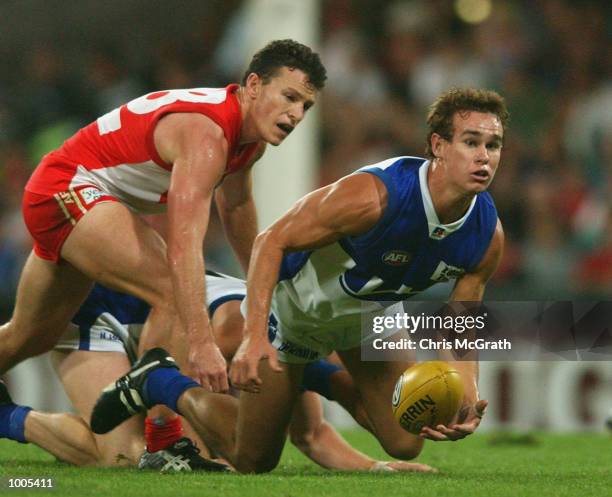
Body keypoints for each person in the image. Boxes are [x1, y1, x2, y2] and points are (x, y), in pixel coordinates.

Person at [91, 87, 508, 473]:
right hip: (295, 316)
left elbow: (463, 314)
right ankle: (157, 379)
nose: (484, 157)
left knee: (406, 439)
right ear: (438, 145)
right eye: (471, 142)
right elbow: (270, 242)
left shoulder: (488, 234)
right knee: (252, 458)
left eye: (493, 145)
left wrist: (467, 393)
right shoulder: (373, 196)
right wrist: (255, 334)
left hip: (368, 318)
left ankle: (315, 377)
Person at [0, 39, 326, 394]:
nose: (296, 114)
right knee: (175, 291)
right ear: (253, 85)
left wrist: (266, 287)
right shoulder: (208, 134)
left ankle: (151, 423)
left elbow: (234, 208)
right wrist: (202, 343)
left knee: (30, 337)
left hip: (69, 194)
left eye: (305, 106)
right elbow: (183, 247)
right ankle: (161, 438)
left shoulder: (247, 140)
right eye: (289, 97)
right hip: (68, 190)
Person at [0, 274, 434, 473]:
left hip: (161, 334)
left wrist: (379, 467)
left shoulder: (298, 338)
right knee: (129, 455)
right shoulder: (235, 330)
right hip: (100, 313)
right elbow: (178, 430)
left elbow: (312, 435)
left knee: (206, 447)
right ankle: (7, 418)